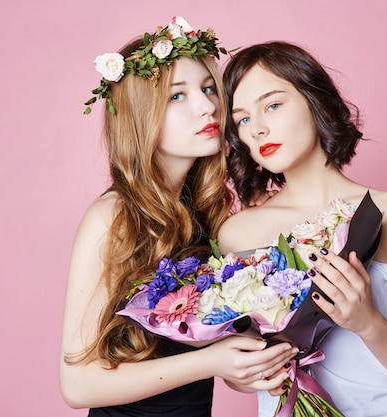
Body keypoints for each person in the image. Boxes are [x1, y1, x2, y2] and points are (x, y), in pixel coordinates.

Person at [59, 19, 298, 417]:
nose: (208, 106)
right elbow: (78, 384)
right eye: (177, 96)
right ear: (140, 117)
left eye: (208, 89)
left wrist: (242, 368)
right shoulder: (114, 216)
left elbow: (200, 347)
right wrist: (211, 362)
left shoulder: (207, 215)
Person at [218, 41, 387, 417]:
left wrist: (366, 321)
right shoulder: (238, 233)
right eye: (242, 119)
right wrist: (246, 373)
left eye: (273, 105)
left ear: (314, 100)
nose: (258, 129)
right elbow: (237, 368)